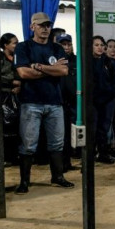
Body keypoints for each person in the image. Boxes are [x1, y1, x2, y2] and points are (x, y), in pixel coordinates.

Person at [13, 12, 74, 194]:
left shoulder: (57, 49)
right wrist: (51, 70)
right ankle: (24, 182)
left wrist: (38, 66)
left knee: (57, 143)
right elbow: (23, 73)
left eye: (48, 25)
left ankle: (58, 177)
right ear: (32, 27)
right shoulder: (23, 47)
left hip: (55, 102)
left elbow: (63, 71)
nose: (45, 28)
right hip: (31, 102)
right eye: (41, 25)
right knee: (28, 144)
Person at [92, 36, 115, 164]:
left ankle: (103, 153)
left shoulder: (109, 61)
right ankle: (91, 154)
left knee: (104, 127)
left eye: (101, 45)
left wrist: (114, 92)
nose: (100, 47)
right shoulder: (86, 61)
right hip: (93, 100)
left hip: (109, 99)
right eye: (96, 45)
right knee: (93, 127)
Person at [0, 33, 21, 165]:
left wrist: (20, 84)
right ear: (5, 45)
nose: (16, 45)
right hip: (3, 96)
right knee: (5, 127)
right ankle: (5, 157)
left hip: (17, 96)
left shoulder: (19, 57)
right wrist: (12, 81)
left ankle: (15, 156)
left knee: (17, 127)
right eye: (14, 43)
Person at [58, 33, 78, 169]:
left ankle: (70, 160)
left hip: (75, 102)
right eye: (63, 44)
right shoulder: (54, 61)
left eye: (69, 44)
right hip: (59, 102)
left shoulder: (78, 60)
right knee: (62, 134)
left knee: (74, 132)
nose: (66, 47)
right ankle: (63, 163)